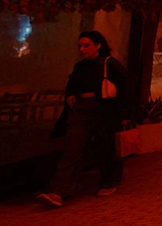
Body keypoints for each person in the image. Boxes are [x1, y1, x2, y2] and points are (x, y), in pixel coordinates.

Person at [37, 31, 128, 207]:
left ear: (98, 46)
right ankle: (58, 191)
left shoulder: (109, 64)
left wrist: (123, 114)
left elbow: (125, 87)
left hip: (102, 109)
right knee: (73, 148)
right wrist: (70, 94)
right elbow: (71, 83)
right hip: (81, 108)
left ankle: (110, 180)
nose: (82, 49)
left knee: (105, 146)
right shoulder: (80, 67)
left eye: (86, 45)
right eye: (80, 46)